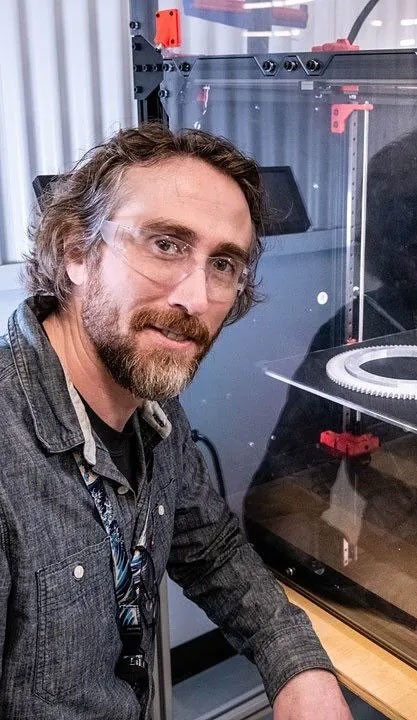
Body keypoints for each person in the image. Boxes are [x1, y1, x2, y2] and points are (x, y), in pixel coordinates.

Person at [0, 123, 353, 719]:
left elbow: (211, 551)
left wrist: (301, 671)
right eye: (165, 244)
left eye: (222, 264)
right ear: (76, 251)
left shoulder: (152, 410)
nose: (195, 298)